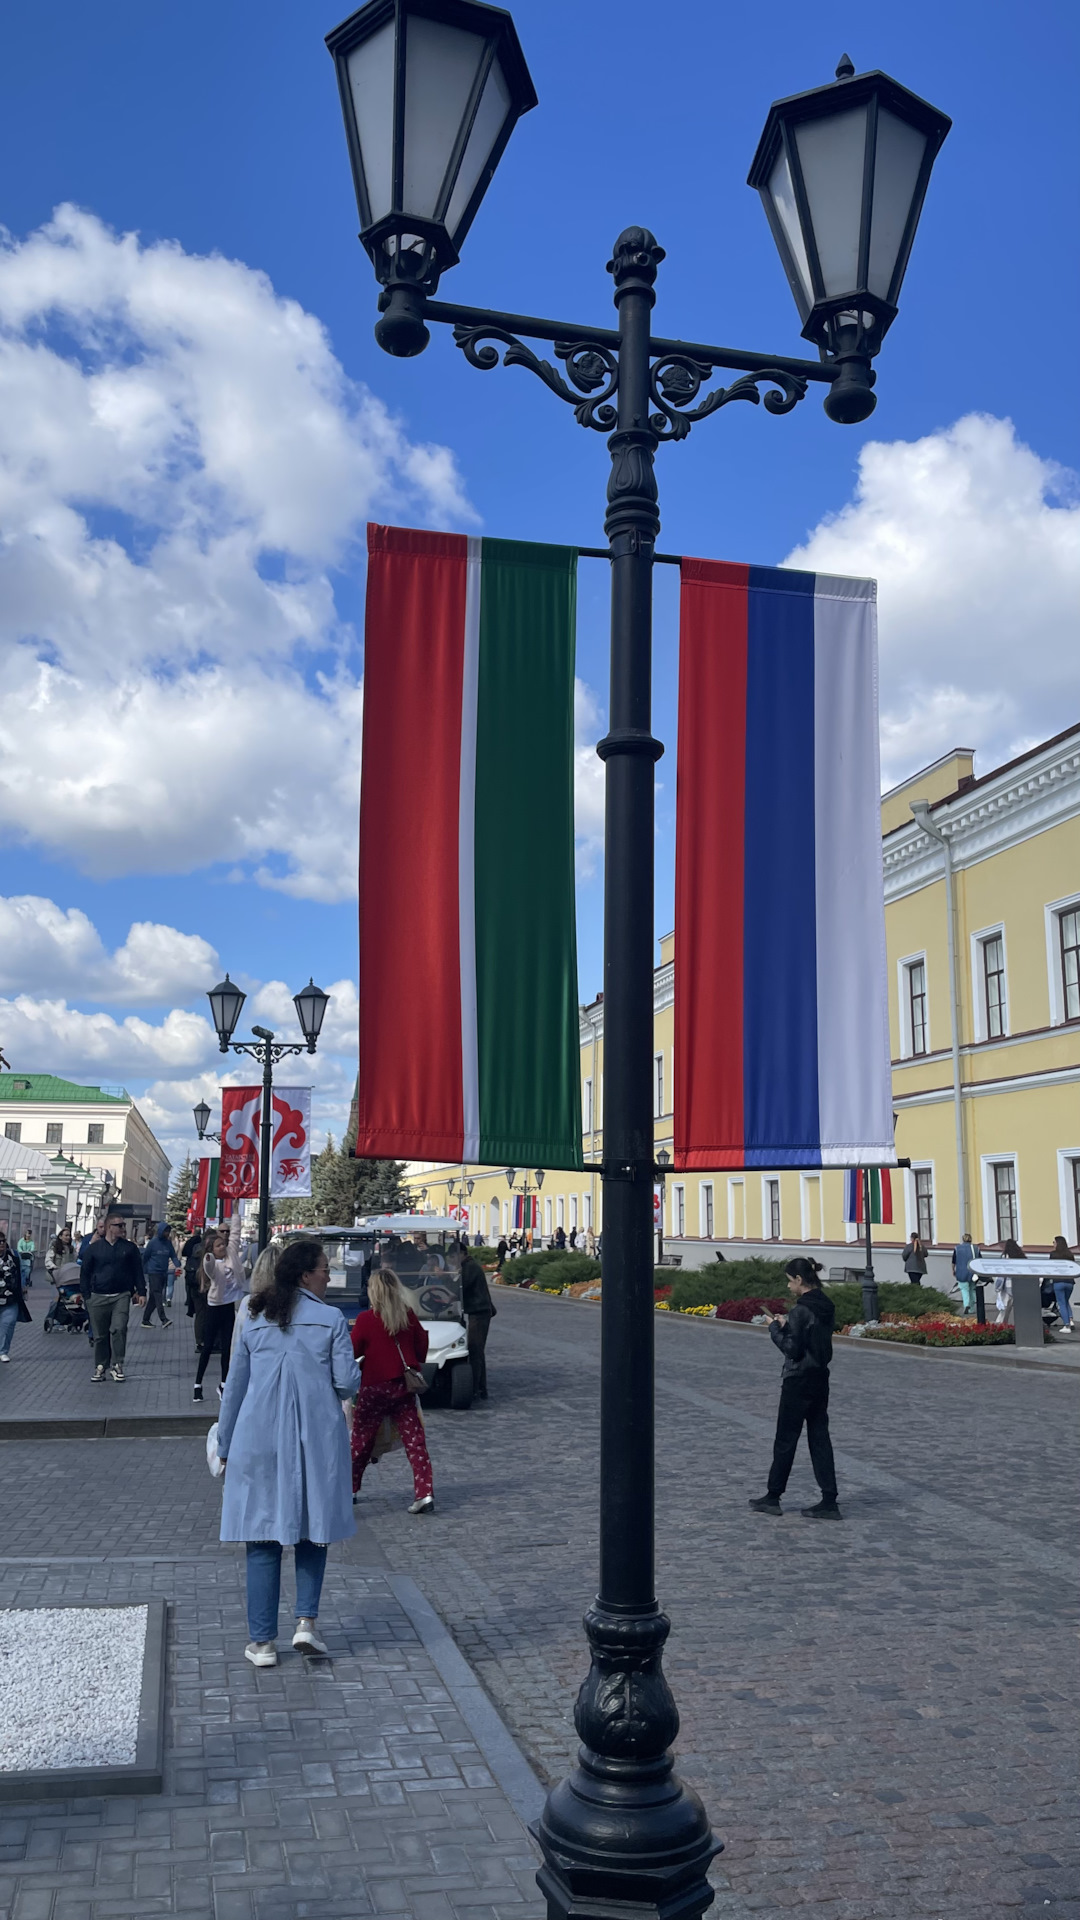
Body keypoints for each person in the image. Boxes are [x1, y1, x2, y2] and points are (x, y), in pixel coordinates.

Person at [217, 1236, 360, 1667]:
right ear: (305, 1275)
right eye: (323, 1269)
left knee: (261, 1537)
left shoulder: (252, 1313)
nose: (328, 1275)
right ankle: (306, 1623)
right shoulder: (330, 1318)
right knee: (312, 1530)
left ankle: (261, 1642)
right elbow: (347, 1384)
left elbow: (234, 1386)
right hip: (315, 1438)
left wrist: (223, 1444)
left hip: (257, 1437)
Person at [749, 1256, 840, 1520]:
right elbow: (813, 1337)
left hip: (798, 1380)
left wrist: (775, 1329)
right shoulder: (826, 1305)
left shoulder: (801, 1310)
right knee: (819, 1438)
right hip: (820, 1378)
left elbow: (792, 1349)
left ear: (799, 1280)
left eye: (790, 1281)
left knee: (786, 1439)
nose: (789, 1287)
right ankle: (829, 1500)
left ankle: (773, 1496)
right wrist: (790, 1326)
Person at [350, 1268, 434, 1514]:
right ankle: (424, 1492)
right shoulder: (406, 1315)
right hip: (402, 1385)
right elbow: (422, 1346)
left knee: (361, 1439)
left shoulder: (366, 1319)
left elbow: (353, 1351)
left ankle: (350, 1488)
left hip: (374, 1386)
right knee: (414, 1440)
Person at [81, 1215, 146, 1382]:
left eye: (123, 1225)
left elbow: (138, 1271)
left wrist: (141, 1292)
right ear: (110, 1227)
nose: (123, 1228)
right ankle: (101, 1366)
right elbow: (85, 1273)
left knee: (119, 1328)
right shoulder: (95, 1249)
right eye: (119, 1225)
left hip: (121, 1295)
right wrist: (87, 1296)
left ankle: (117, 1363)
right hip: (97, 1296)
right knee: (100, 1335)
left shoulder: (129, 1248)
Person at [194, 1212, 246, 1402]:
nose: (223, 1246)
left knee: (227, 1347)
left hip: (229, 1305)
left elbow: (235, 1235)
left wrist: (235, 1214)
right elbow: (208, 1269)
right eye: (218, 1245)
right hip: (215, 1306)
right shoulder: (213, 1264)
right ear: (212, 1249)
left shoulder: (231, 1252)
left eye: (223, 1244)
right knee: (207, 1347)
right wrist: (208, 1257)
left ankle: (223, 1384)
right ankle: (197, 1385)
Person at [458, 1242, 496, 1400]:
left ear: (463, 1253)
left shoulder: (471, 1268)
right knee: (477, 1350)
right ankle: (480, 1387)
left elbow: (461, 1286)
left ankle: (475, 1388)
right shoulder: (467, 1266)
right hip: (476, 1311)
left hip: (480, 1311)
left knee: (474, 1349)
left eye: (454, 1256)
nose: (452, 1260)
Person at [140, 1223, 179, 1329]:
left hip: (163, 1272)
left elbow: (173, 1255)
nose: (167, 1233)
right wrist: (142, 1272)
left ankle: (145, 1319)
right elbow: (146, 1257)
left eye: (168, 1231)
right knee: (158, 1295)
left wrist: (178, 1265)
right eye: (165, 1231)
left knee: (153, 1297)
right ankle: (163, 1319)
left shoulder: (168, 1243)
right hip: (154, 1272)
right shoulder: (153, 1243)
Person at [0, 1231, 31, 1361]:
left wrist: (23, 1287)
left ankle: (3, 1351)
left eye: (3, 1241)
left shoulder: (13, 1255)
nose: (2, 1244)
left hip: (11, 1297)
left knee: (9, 1323)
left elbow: (21, 1271)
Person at [991, 1236, 1024, 1325]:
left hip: (1006, 1286)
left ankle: (1000, 1325)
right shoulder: (1020, 1257)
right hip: (1018, 1286)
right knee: (1014, 1309)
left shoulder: (1005, 1257)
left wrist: (998, 1287)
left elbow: (1002, 1274)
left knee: (1004, 1308)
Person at [1049, 1235, 1075, 1332]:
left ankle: (1067, 1325)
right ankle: (1071, 1319)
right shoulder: (1070, 1254)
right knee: (1066, 1300)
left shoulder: (1053, 1255)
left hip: (1058, 1281)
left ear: (1058, 1244)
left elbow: (1051, 1268)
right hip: (1070, 1282)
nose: (1053, 1244)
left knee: (1062, 1303)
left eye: (1054, 1242)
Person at [952, 1232, 981, 1314]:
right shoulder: (976, 1248)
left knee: (964, 1289)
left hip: (961, 1272)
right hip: (973, 1272)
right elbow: (979, 1260)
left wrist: (953, 1270)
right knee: (972, 1289)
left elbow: (953, 1261)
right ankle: (971, 1308)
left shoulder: (957, 1248)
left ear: (963, 1239)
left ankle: (966, 1304)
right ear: (971, 1239)